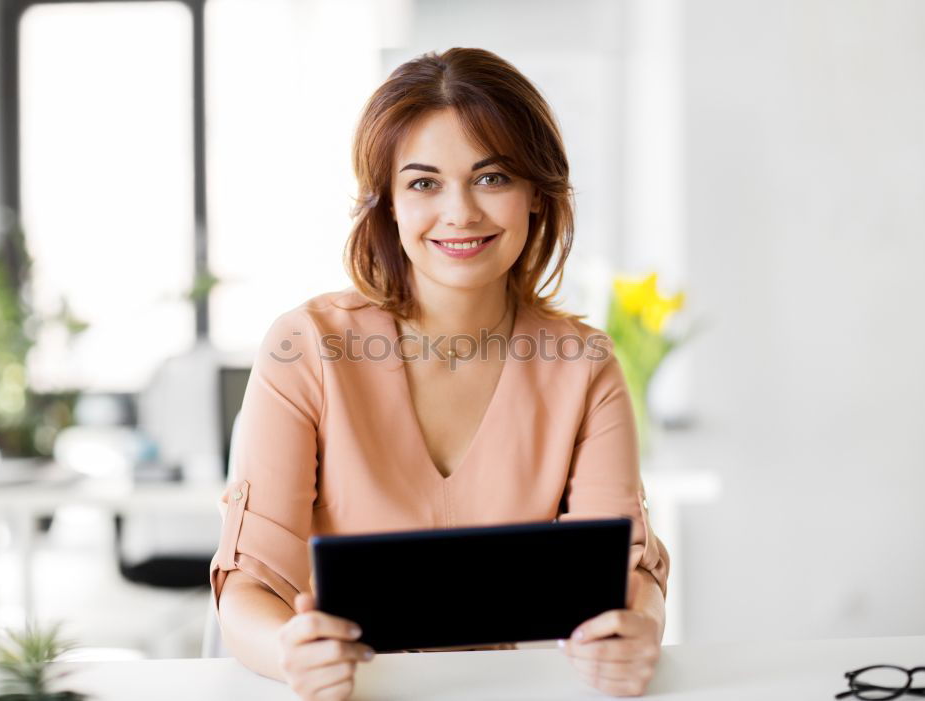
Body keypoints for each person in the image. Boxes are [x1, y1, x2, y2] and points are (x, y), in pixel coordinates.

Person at [210, 47, 671, 700]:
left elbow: (625, 574)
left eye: (492, 178)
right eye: (424, 182)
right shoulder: (307, 346)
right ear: (389, 205)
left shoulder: (584, 364)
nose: (460, 213)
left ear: (537, 193)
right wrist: (290, 651)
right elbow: (250, 586)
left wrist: (639, 629)